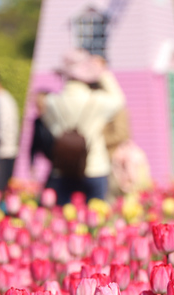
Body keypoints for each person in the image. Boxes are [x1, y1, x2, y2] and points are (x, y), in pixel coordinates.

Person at [42, 50, 125, 205]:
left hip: (63, 166)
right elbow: (119, 100)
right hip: (95, 165)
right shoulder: (98, 101)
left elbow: (51, 127)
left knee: (63, 221)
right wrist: (102, 72)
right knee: (96, 216)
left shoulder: (51, 102)